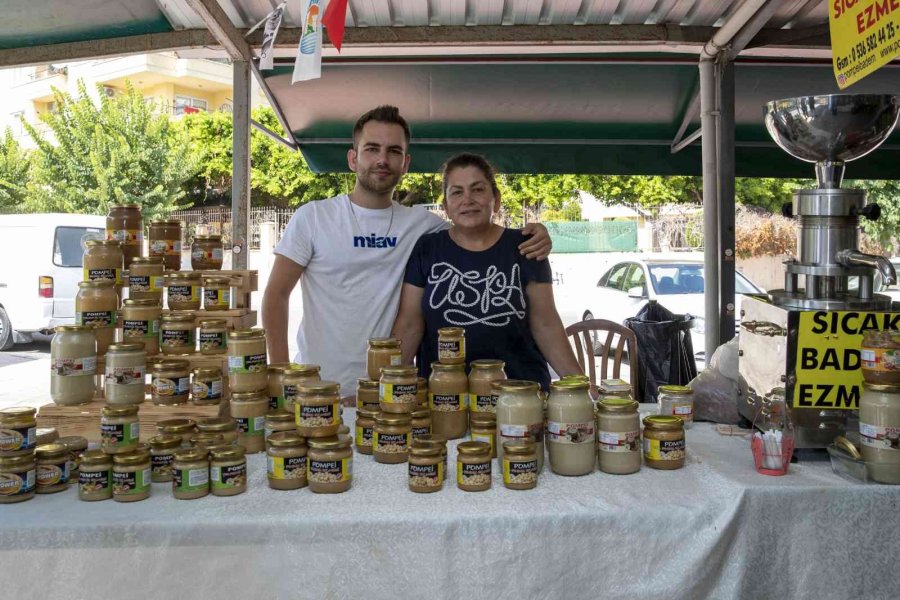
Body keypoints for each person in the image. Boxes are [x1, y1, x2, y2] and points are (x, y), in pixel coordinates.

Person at [262, 106, 553, 397]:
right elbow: (276, 295)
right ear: (353, 158)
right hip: (316, 389)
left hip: (387, 392)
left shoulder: (425, 228)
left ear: (405, 163)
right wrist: (280, 374)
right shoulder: (313, 217)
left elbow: (476, 229)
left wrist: (536, 234)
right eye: (372, 149)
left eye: (394, 151)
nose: (382, 160)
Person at [391, 153, 582, 389]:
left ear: (497, 199)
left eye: (478, 189)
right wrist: (385, 386)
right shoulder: (427, 248)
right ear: (446, 207)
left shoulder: (525, 246)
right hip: (445, 399)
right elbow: (410, 324)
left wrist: (580, 385)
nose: (468, 199)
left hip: (520, 395)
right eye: (457, 192)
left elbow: (546, 324)